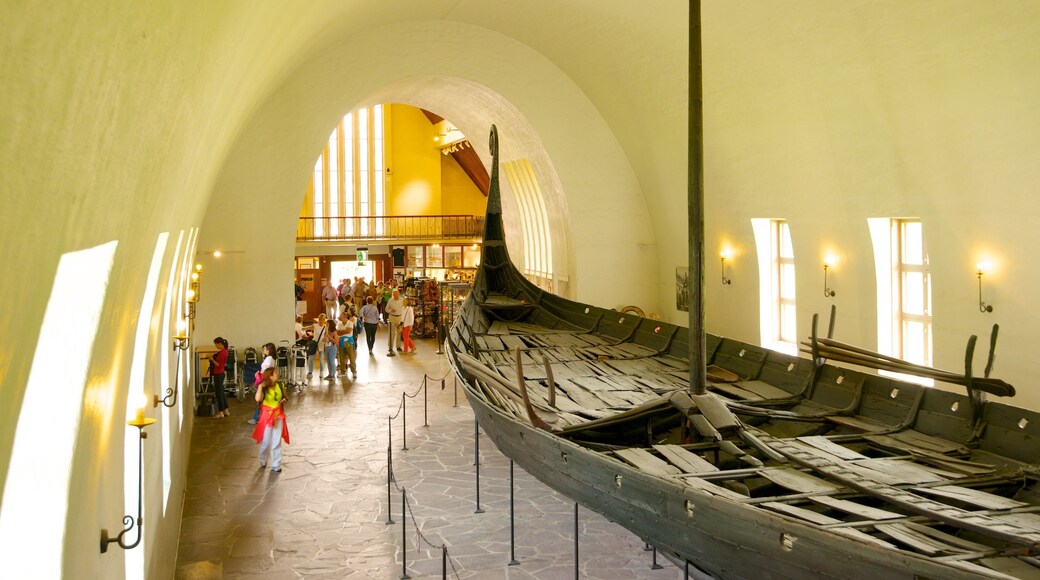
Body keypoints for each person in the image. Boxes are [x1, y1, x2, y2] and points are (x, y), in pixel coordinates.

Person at [251, 367, 290, 473]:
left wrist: (283, 400)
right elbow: (258, 399)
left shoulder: (280, 385)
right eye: (275, 373)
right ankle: (263, 460)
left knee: (277, 441)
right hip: (267, 417)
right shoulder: (264, 387)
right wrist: (260, 387)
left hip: (278, 416)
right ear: (270, 376)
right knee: (266, 441)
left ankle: (276, 464)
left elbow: (286, 397)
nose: (278, 374)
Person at [249, 343, 277, 425]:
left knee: (260, 399)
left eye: (265, 349)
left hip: (264, 380)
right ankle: (262, 417)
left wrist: (259, 372)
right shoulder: (272, 358)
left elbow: (266, 370)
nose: (264, 350)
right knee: (264, 399)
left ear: (268, 350)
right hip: (268, 380)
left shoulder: (269, 358)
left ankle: (256, 417)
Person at [207, 337, 231, 418]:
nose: (215, 346)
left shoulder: (223, 353)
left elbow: (219, 365)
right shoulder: (223, 351)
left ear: (220, 344)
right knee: (221, 392)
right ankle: (226, 410)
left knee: (219, 394)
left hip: (219, 373)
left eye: (216, 344)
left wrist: (211, 359)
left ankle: (220, 412)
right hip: (220, 373)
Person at [336, 310, 358, 378]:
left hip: (349, 342)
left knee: (351, 357)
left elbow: (349, 331)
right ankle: (343, 371)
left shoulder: (350, 323)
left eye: (340, 316)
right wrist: (344, 331)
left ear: (344, 317)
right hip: (341, 342)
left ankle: (354, 371)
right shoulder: (339, 324)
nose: (339, 317)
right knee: (342, 358)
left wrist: (342, 331)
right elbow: (338, 333)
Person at [384, 288, 405, 356]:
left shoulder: (402, 300)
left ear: (399, 294)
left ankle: (398, 346)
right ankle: (390, 347)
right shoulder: (390, 300)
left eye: (397, 294)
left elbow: (405, 308)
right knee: (391, 332)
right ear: (393, 295)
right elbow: (386, 309)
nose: (396, 296)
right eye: (394, 295)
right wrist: (390, 310)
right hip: (392, 317)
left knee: (399, 332)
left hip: (399, 317)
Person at [307, 313, 328, 379]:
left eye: (323, 319)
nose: (321, 320)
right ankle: (310, 372)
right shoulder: (315, 325)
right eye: (320, 319)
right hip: (314, 343)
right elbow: (308, 327)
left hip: (321, 343)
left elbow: (326, 335)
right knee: (311, 358)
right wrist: (301, 328)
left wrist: (325, 339)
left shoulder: (325, 326)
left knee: (321, 359)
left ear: (324, 320)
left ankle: (321, 372)